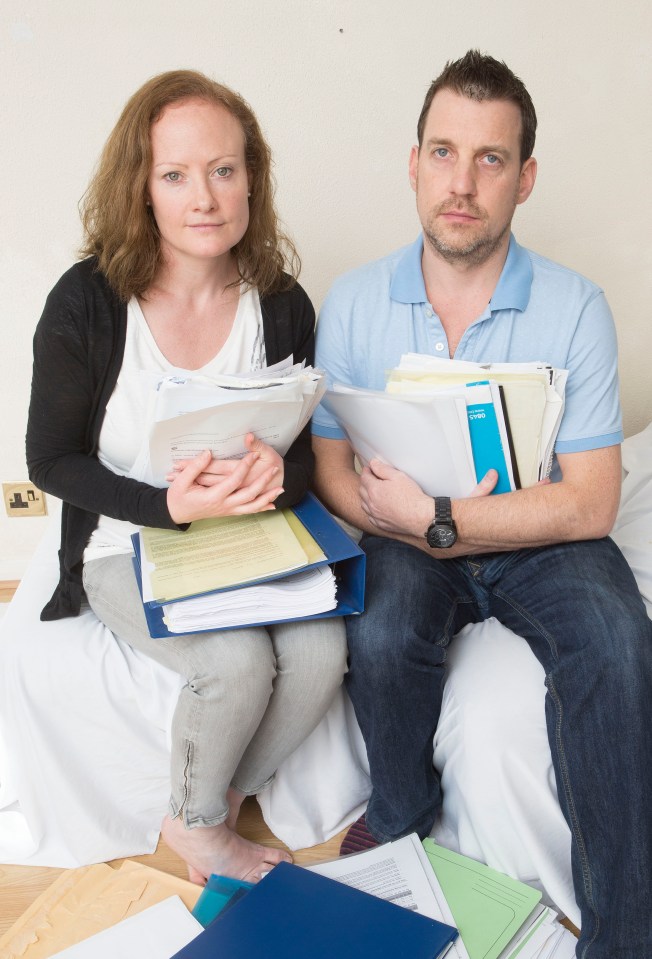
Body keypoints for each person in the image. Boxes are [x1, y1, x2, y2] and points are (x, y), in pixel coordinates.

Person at [311, 50, 652, 957]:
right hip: (405, 531)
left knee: (619, 642)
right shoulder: (352, 302)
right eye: (444, 153)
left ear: (525, 177)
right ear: (413, 160)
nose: (462, 184)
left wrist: (445, 520)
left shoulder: (577, 307)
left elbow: (587, 503)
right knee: (380, 630)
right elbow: (329, 465)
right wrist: (394, 519)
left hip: (535, 534)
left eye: (491, 159)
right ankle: (400, 822)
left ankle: (624, 936)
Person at [26, 70, 347, 886]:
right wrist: (167, 506)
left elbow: (304, 454)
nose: (203, 197)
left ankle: (216, 792)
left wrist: (283, 470)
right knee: (236, 662)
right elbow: (51, 460)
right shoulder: (86, 304)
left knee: (320, 651)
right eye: (175, 174)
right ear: (142, 189)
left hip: (246, 538)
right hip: (126, 543)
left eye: (223, 170)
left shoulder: (280, 303)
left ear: (251, 180)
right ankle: (197, 827)